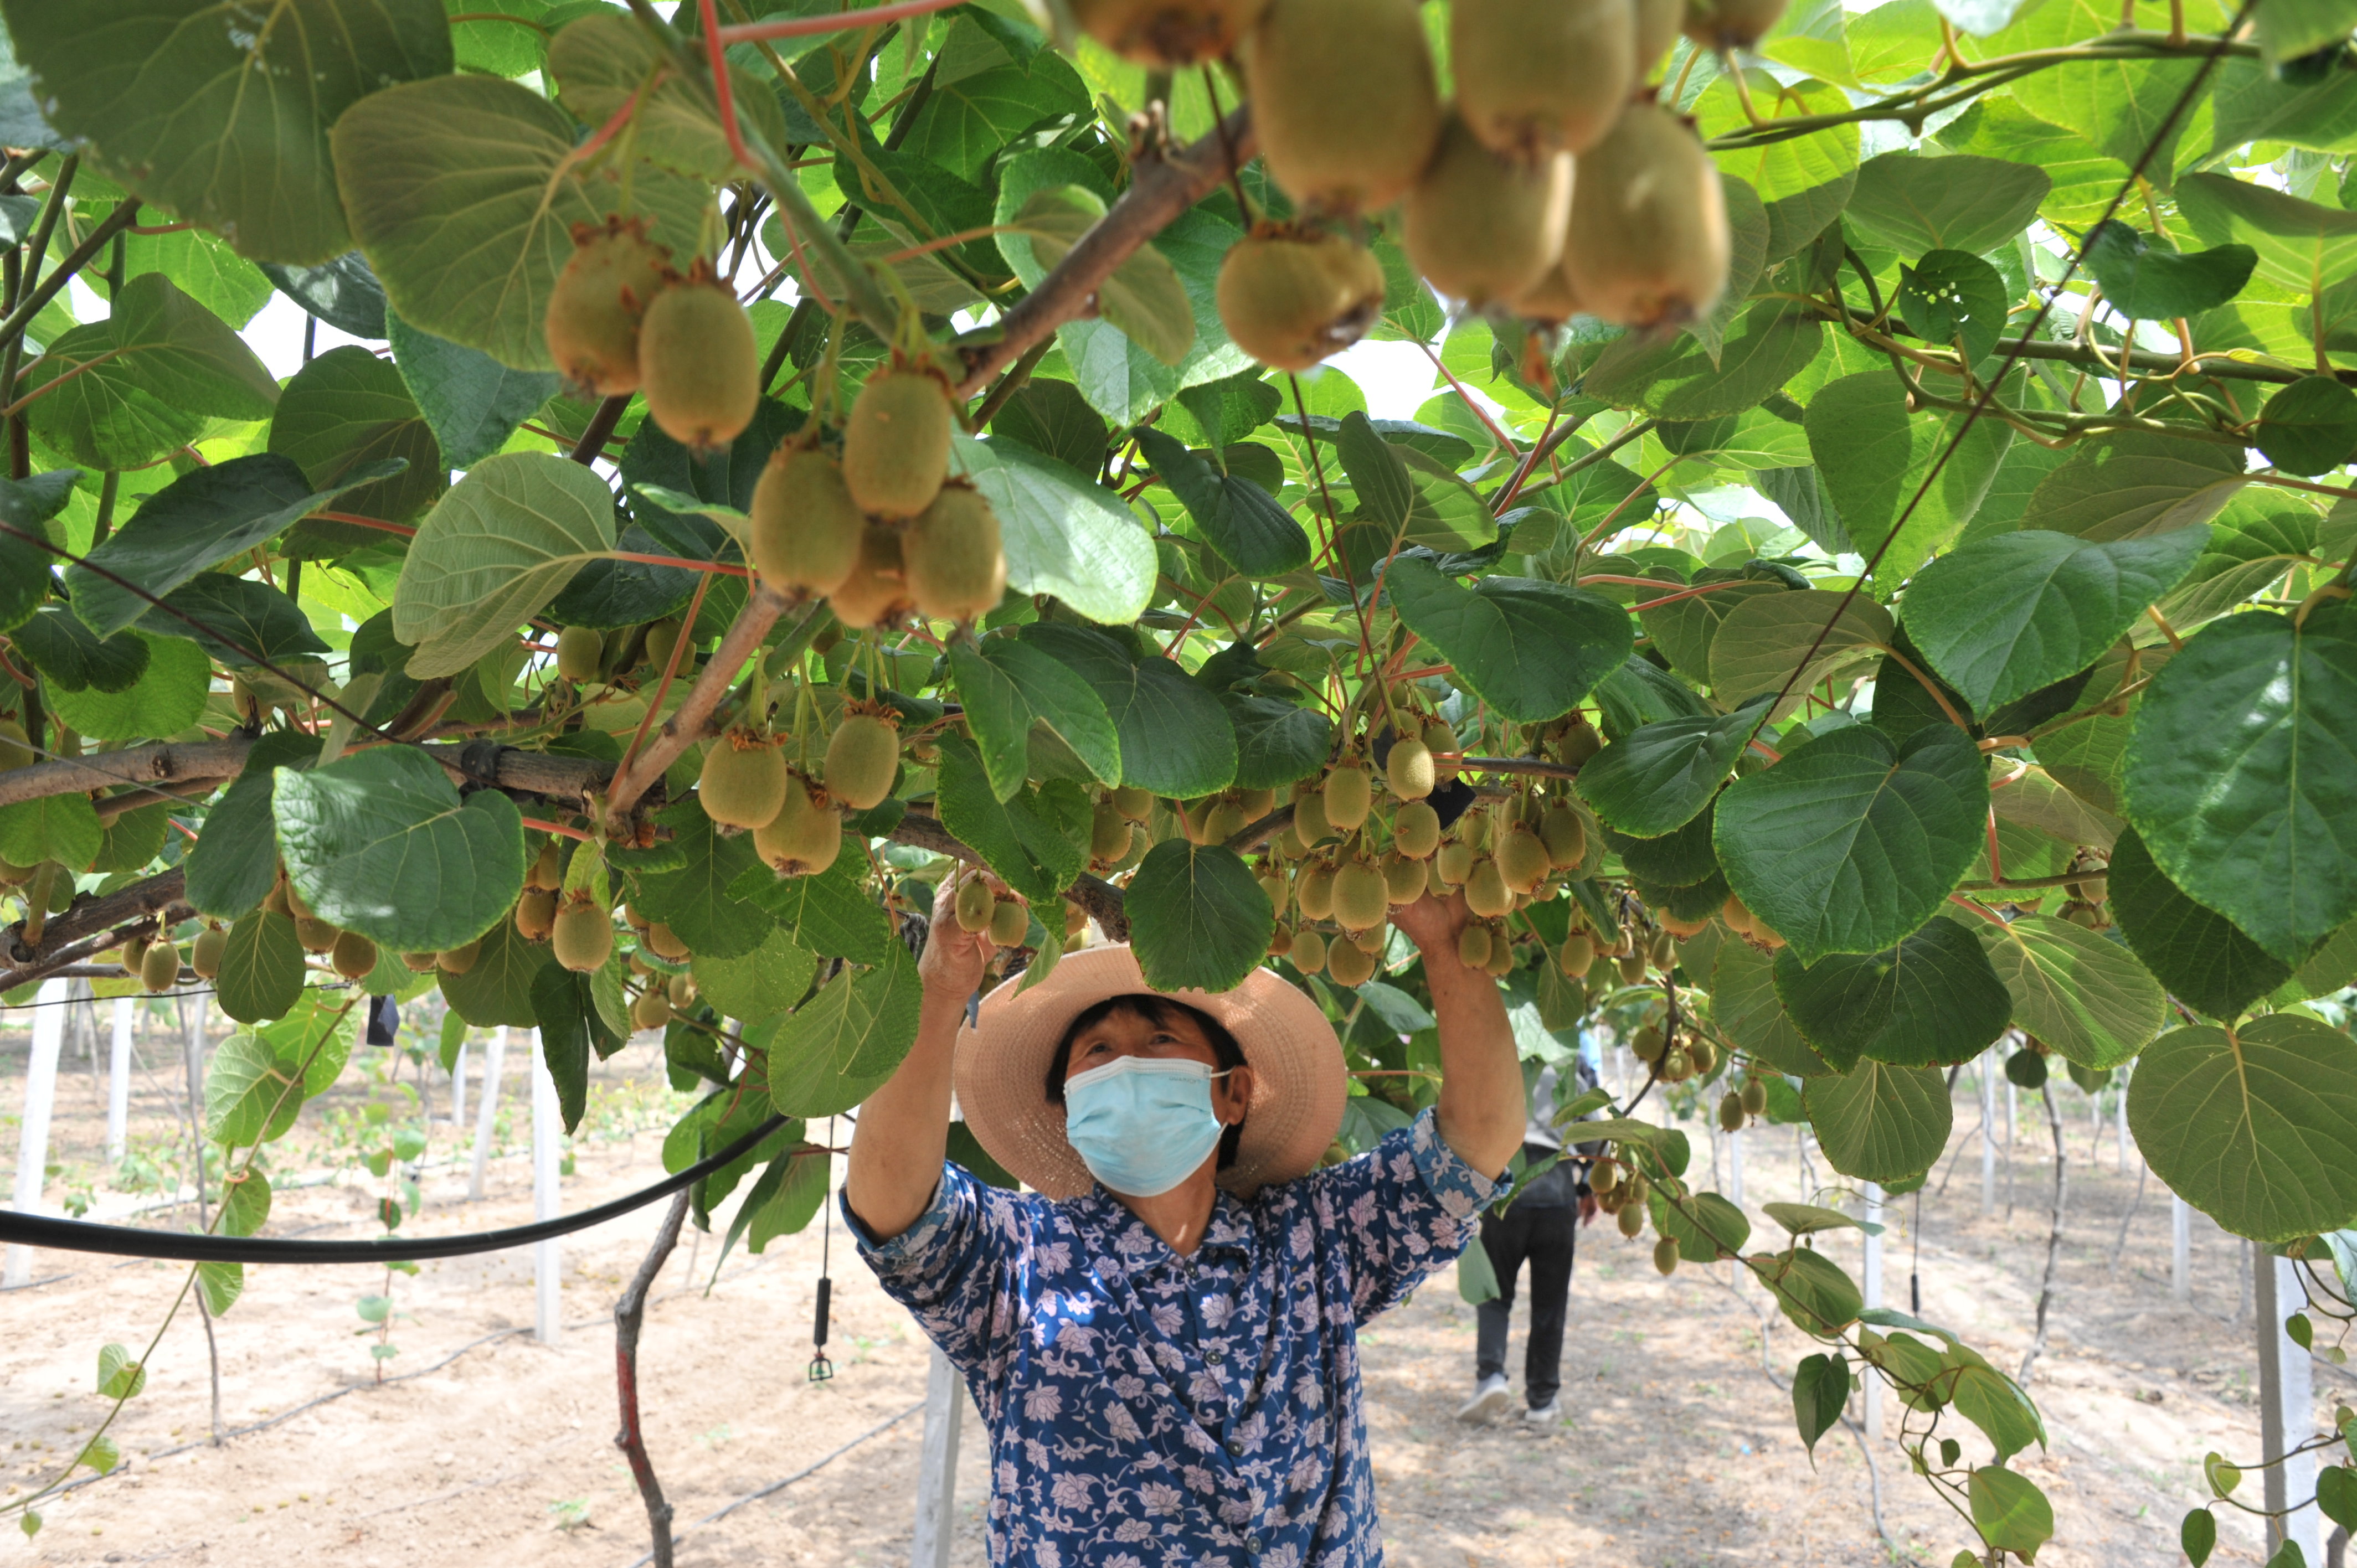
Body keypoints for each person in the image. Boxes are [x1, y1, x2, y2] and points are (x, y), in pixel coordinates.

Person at [843, 879, 1526, 1566]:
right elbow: (895, 1209)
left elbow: (1473, 1147)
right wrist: (937, 991)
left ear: (1232, 1094)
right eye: (1097, 1054)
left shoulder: (1315, 1239)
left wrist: (1444, 945)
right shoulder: (1022, 1260)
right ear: (1071, 1110)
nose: (1128, 1065)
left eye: (1161, 1038)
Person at [1454, 1059, 1599, 1426]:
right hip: (1558, 1189)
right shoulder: (1570, 1074)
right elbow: (1598, 1132)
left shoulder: (1503, 1065)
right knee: (1550, 1304)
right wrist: (1587, 1186)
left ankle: (1491, 1377)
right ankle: (1543, 1401)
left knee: (1495, 1292)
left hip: (1508, 1187)